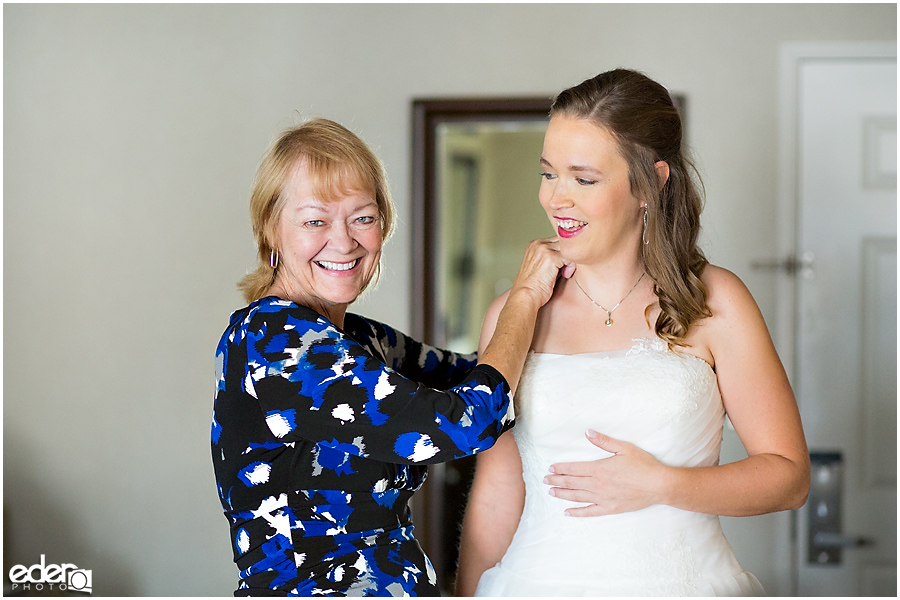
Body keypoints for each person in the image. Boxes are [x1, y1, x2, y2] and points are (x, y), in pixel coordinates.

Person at [456, 69, 810, 596]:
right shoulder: (512, 312)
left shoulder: (715, 301)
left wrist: (663, 484)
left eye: (584, 178)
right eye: (549, 173)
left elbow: (788, 477)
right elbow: (497, 491)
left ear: (650, 183)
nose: (556, 198)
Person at [211, 118, 572, 596]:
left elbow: (475, 370)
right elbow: (468, 419)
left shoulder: (356, 339)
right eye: (315, 220)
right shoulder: (275, 340)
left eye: (362, 217)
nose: (343, 241)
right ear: (271, 230)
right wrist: (524, 295)